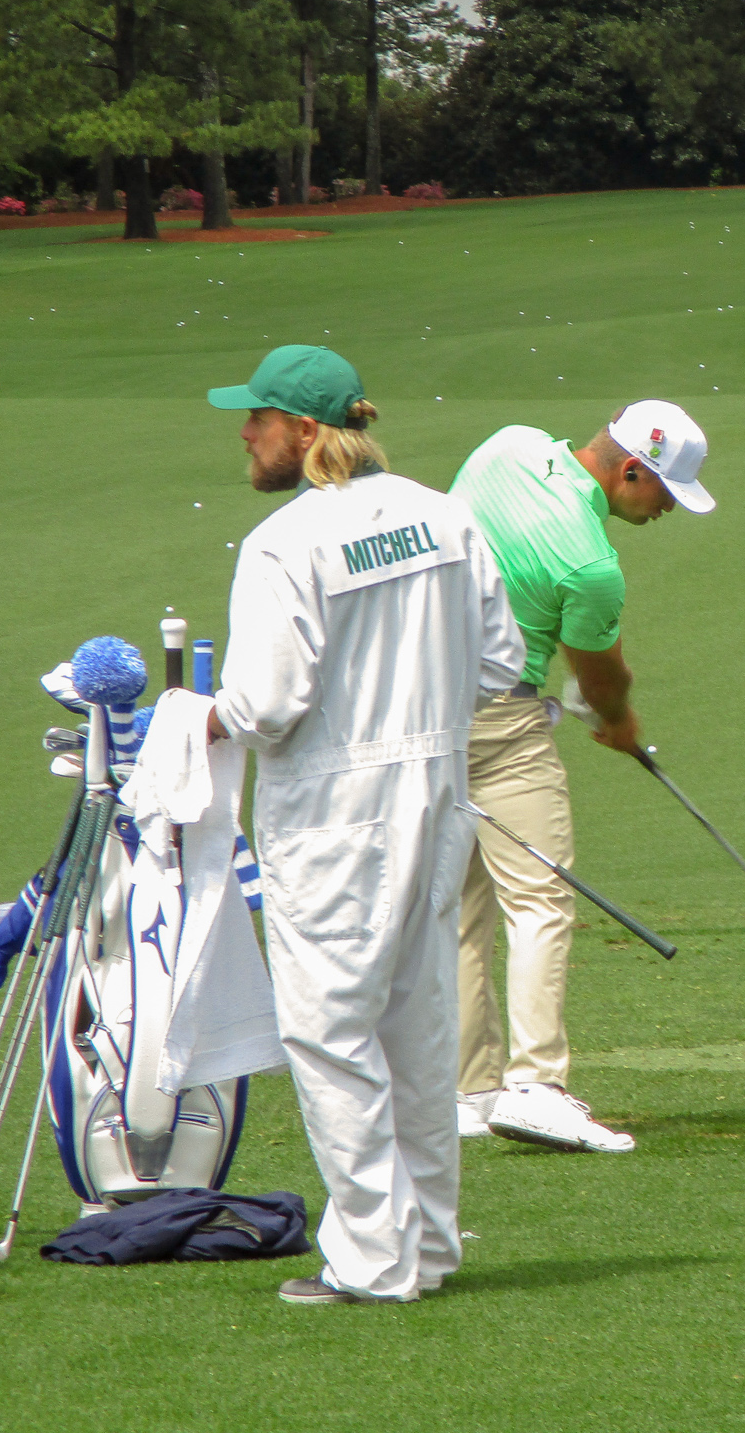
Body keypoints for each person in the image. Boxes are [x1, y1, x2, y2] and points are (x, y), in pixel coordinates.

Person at [205, 345, 525, 1301]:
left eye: (259, 417)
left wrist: (191, 719)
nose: (245, 432)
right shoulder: (447, 514)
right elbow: (500, 665)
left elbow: (265, 705)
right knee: (417, 1032)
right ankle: (423, 1246)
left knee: (332, 1035)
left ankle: (373, 1261)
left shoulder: (284, 542)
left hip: (335, 812)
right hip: (436, 795)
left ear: (306, 432)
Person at [447, 401, 715, 1152]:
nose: (665, 509)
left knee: (462, 908)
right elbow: (600, 680)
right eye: (665, 493)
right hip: (503, 722)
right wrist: (621, 723)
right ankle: (535, 1086)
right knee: (538, 900)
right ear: (633, 470)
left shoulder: (505, 444)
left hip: (421, 713)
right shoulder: (593, 566)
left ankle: (469, 1094)